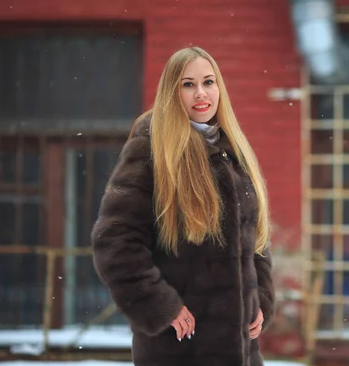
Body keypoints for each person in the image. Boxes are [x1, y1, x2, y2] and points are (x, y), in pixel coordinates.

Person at [91, 46, 275, 366]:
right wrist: (160, 305)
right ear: (171, 93)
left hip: (241, 350)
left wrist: (261, 300)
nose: (200, 93)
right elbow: (115, 241)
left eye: (209, 81)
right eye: (187, 84)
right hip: (179, 348)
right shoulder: (151, 150)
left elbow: (255, 240)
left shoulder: (234, 153)